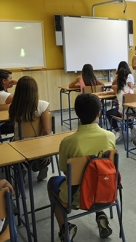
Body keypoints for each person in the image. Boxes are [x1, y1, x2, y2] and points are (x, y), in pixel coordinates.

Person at [47, 93, 115, 242]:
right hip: (106, 191)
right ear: (99, 113)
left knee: (52, 182)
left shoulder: (68, 142)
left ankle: (65, 228)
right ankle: (101, 215)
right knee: (99, 174)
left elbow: (66, 172)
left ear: (77, 114)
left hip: (76, 197)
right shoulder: (110, 136)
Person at [9, 76, 51, 181]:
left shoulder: (13, 106)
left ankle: (21, 166)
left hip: (20, 144)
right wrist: (47, 151)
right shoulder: (43, 105)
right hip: (38, 144)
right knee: (45, 145)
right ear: (35, 90)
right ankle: (43, 166)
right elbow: (46, 130)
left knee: (12, 141)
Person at [106, 67, 134, 142]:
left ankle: (118, 131)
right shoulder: (131, 86)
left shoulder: (116, 87)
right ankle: (132, 127)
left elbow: (112, 85)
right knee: (125, 108)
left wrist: (116, 78)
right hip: (134, 112)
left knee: (108, 113)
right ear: (127, 77)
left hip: (123, 113)